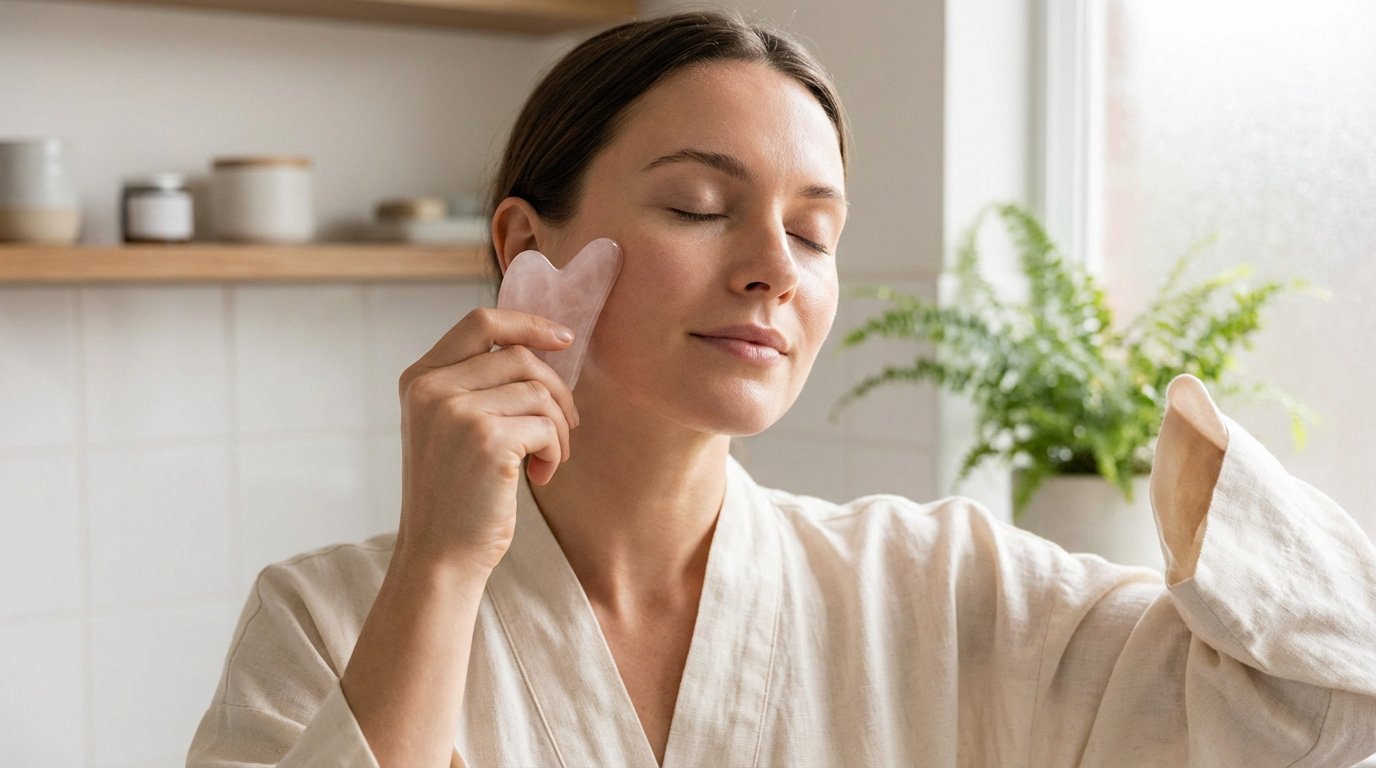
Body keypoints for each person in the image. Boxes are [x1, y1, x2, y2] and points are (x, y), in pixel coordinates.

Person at [186, 10, 1376, 768]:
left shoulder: (942, 590)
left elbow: (1320, 702)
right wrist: (442, 570)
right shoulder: (326, 618)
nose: (772, 268)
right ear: (524, 244)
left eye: (813, 232)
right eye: (698, 206)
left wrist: (1192, 479)